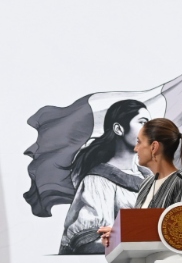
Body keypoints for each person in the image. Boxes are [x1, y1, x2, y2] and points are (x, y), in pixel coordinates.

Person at [59, 100, 152, 254]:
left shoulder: (149, 177)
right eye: (142, 122)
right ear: (119, 129)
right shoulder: (98, 180)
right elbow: (88, 242)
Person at [98, 118, 182, 248]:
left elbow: (180, 233)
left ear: (154, 147)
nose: (136, 148)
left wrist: (123, 233)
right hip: (141, 259)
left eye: (139, 142)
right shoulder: (146, 184)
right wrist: (115, 234)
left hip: (167, 260)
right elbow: (142, 228)